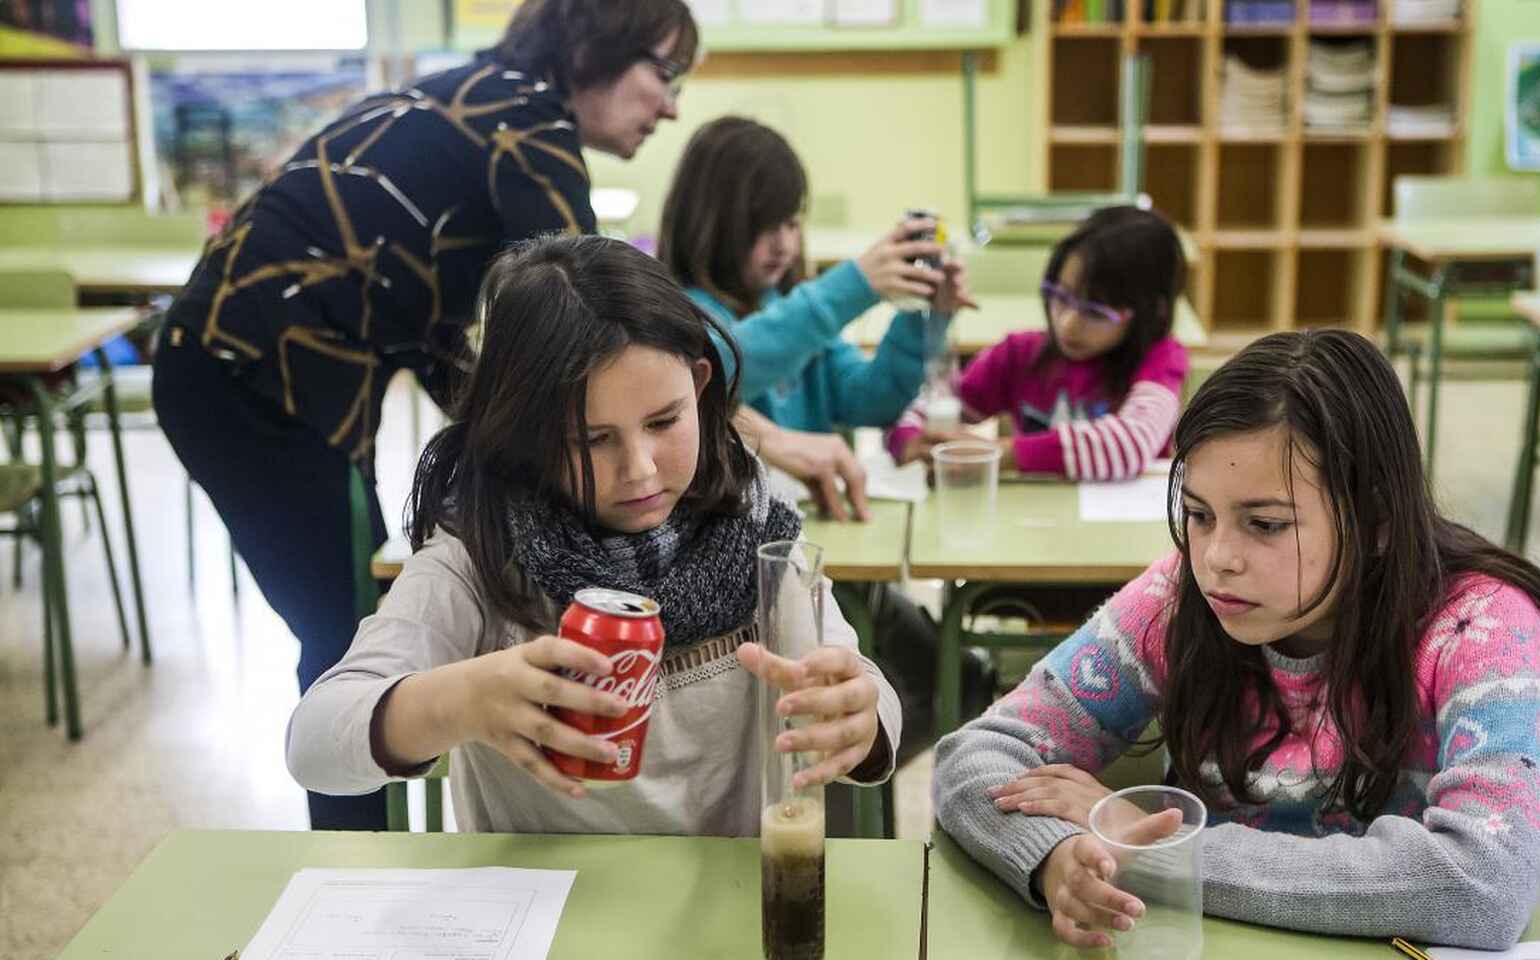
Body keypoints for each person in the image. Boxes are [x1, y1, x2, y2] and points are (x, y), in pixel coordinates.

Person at [153, 0, 699, 829]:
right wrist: (710, 427)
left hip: (234, 370)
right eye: (663, 73)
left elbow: (454, 351)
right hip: (250, 381)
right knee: (345, 643)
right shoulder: (528, 125)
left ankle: (365, 866)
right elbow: (598, 328)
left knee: (347, 624)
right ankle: (354, 888)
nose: (670, 105)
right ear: (596, 48)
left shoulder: (475, 98)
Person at [933, 330, 1540, 951]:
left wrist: (1168, 858)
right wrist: (1053, 859)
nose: (1217, 558)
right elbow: (976, 757)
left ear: (1374, 519)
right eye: (1198, 515)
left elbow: (1486, 884)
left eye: (1265, 524)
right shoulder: (1182, 598)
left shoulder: (1485, 626)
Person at [285, 235, 900, 835]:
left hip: (729, 910)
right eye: (591, 440)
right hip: (541, 919)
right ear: (523, 430)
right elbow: (313, 744)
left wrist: (861, 718)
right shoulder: (482, 551)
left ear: (700, 385)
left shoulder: (758, 527)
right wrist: (456, 700)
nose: (640, 469)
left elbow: (866, 693)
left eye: (664, 421)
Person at [658, 115, 975, 522]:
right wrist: (853, 286)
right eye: (762, 227)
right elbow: (725, 365)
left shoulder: (790, 309)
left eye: (791, 223)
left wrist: (924, 315)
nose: (784, 244)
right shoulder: (673, 316)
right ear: (707, 222)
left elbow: (870, 401)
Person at [888, 206, 1188, 482]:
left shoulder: (1162, 358)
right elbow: (934, 402)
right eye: (1061, 296)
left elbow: (1130, 444)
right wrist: (910, 442)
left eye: (1095, 311)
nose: (1068, 323)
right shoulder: (1019, 353)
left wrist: (1002, 453)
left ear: (1153, 311)